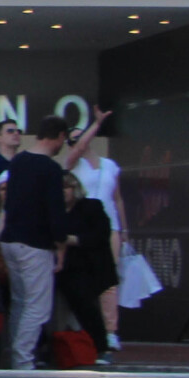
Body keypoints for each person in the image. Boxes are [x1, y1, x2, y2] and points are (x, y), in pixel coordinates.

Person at [0, 114, 73, 369]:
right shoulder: (51, 168)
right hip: (35, 244)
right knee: (38, 306)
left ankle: (13, 355)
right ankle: (23, 360)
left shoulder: (18, 161)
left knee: (19, 301)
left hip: (10, 239)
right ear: (61, 136)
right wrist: (60, 245)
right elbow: (56, 211)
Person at [68, 127, 131, 351]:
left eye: (80, 136)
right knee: (82, 278)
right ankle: (84, 326)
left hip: (109, 226)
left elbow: (118, 199)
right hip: (83, 227)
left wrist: (124, 229)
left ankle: (110, 330)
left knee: (109, 280)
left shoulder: (110, 165)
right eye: (72, 139)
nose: (78, 142)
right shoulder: (73, 165)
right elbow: (75, 153)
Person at [58, 169, 117, 361]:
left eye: (66, 187)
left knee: (85, 305)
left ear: (75, 188)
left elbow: (100, 234)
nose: (63, 192)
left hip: (88, 265)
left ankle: (101, 347)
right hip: (62, 266)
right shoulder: (53, 211)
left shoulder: (91, 206)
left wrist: (73, 239)